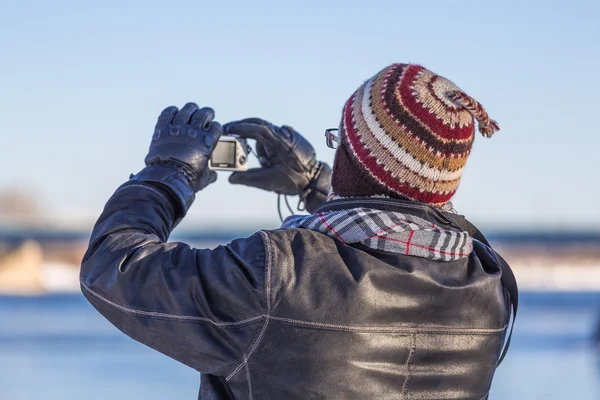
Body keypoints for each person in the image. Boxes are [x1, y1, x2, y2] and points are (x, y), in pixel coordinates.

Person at [80, 63, 517, 399]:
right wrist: (315, 186)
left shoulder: (277, 276)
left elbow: (114, 266)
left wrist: (168, 172)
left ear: (354, 156)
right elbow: (394, 238)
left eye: (339, 141)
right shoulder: (489, 286)